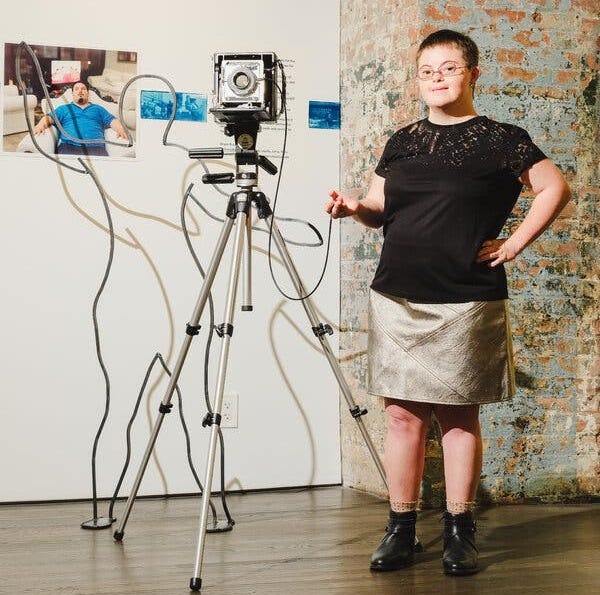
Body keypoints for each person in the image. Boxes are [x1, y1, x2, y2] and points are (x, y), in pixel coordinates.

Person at [325, 29, 571, 576]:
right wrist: (352, 207)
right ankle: (401, 528)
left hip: (466, 300)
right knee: (401, 417)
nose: (436, 78)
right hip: (396, 295)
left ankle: (461, 530)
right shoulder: (403, 140)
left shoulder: (502, 139)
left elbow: (554, 188)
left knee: (459, 418)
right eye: (427, 71)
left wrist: (512, 244)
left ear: (473, 73)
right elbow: (378, 208)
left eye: (449, 68)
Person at [33, 81, 127, 156]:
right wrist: (40, 125)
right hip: (69, 146)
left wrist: (120, 128)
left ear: (87, 93)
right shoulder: (64, 108)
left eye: (83, 89)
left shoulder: (98, 109)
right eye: (77, 89)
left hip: (96, 147)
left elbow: (112, 120)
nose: (80, 91)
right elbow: (49, 118)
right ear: (73, 93)